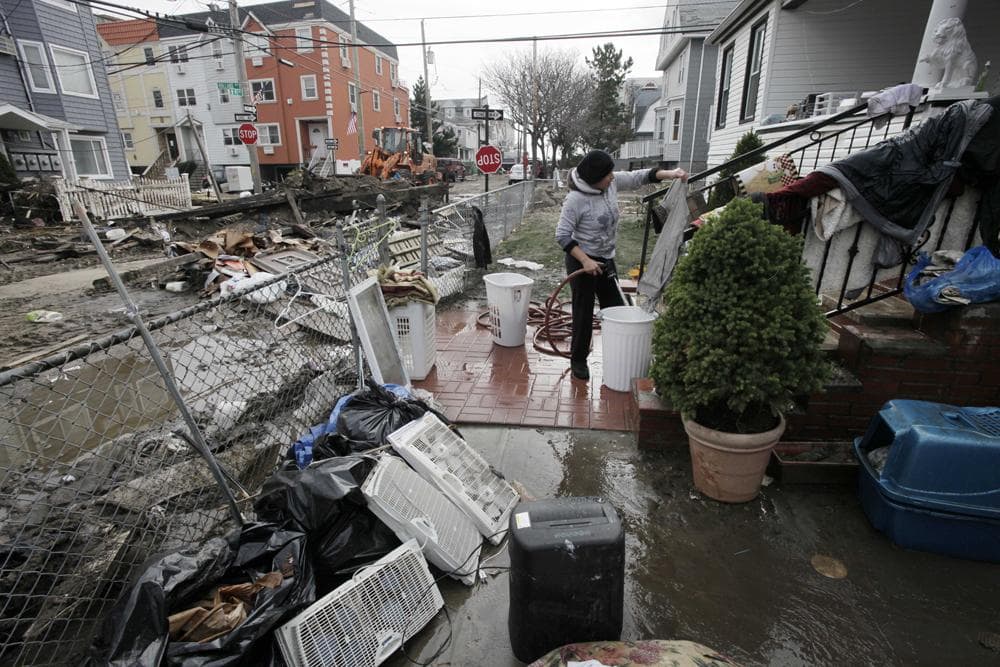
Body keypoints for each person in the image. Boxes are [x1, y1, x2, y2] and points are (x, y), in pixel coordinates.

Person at [555, 150, 687, 380]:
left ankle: (619, 354)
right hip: (581, 261)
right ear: (595, 178)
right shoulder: (575, 200)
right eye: (607, 175)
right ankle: (578, 359)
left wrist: (671, 173)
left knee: (616, 309)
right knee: (583, 312)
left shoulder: (610, 183)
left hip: (605, 259)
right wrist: (585, 260)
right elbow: (562, 235)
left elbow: (640, 176)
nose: (612, 177)